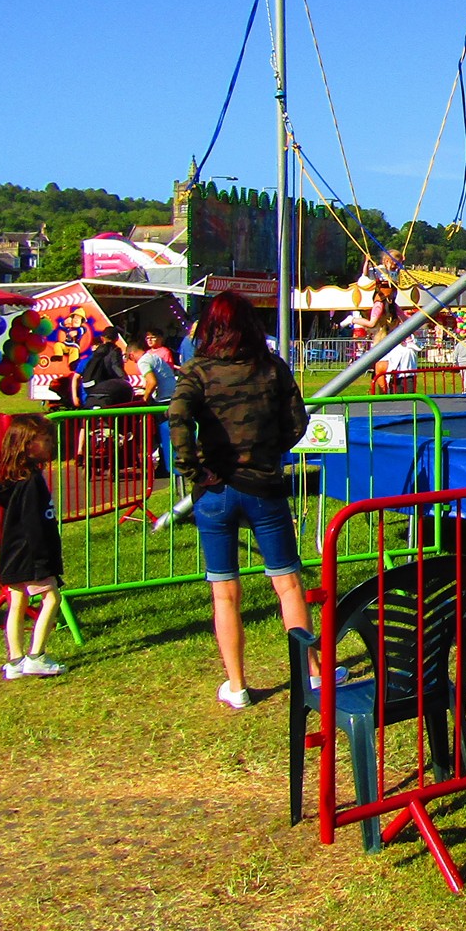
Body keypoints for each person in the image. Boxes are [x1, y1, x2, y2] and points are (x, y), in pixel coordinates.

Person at [167, 291, 311, 711]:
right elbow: (297, 423)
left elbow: (177, 420)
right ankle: (313, 672)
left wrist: (194, 470)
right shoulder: (271, 368)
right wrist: (268, 451)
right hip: (264, 487)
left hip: (215, 491)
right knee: (287, 585)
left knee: (224, 593)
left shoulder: (196, 371)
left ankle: (237, 684)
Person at [0, 414, 66, 679]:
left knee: (17, 602)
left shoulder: (10, 476)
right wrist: (43, 559)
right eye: (44, 441)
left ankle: (14, 661)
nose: (50, 445)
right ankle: (37, 656)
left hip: (12, 552)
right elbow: (33, 523)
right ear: (26, 444)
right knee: (51, 597)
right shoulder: (31, 482)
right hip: (32, 554)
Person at [134, 333, 178, 404]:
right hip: (171, 392)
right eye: (147, 338)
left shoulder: (164, 352)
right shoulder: (149, 354)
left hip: (163, 396)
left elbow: (152, 382)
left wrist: (145, 399)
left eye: (153, 337)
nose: (150, 340)